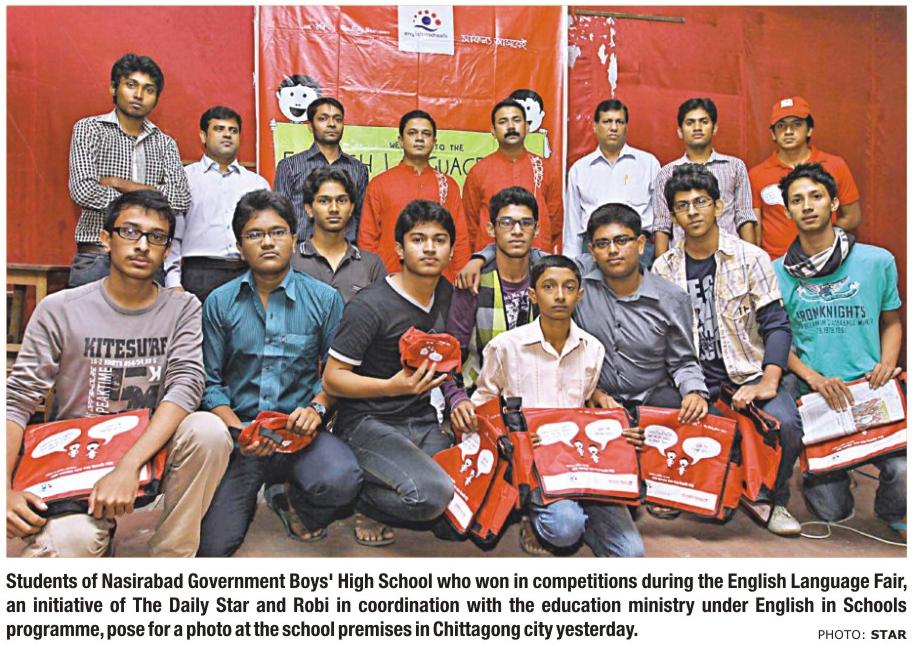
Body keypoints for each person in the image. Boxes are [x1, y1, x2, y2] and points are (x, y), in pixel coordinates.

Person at [6, 190, 231, 557]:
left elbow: (186, 386)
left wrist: (129, 465)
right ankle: (95, 531)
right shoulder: (60, 309)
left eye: (156, 237)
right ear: (106, 239)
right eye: (129, 231)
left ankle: (172, 559)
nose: (142, 245)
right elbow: (17, 400)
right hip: (80, 458)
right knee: (70, 545)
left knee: (208, 431)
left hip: (150, 450)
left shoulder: (182, 307)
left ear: (166, 250)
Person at [197, 190, 361, 556]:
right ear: (240, 247)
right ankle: (261, 484)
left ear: (294, 238)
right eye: (255, 235)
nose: (268, 242)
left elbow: (337, 374)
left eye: (278, 232)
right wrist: (238, 432)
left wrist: (317, 408)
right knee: (213, 547)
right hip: (241, 438)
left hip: (300, 435)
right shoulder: (219, 303)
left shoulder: (324, 299)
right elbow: (210, 382)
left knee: (342, 479)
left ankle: (293, 499)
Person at [652, 164, 802, 535]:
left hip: (746, 371)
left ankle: (772, 497)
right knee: (655, 408)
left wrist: (768, 381)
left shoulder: (751, 257)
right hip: (692, 376)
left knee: (785, 424)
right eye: (682, 206)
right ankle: (677, 488)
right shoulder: (663, 268)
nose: (692, 212)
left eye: (701, 202)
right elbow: (664, 341)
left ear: (718, 207)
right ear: (673, 216)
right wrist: (689, 387)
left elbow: (776, 325)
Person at [468, 255, 645, 557]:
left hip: (582, 461)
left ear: (580, 294)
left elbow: (587, 403)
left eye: (569, 287)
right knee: (564, 529)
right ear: (533, 295)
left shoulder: (592, 348)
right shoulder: (506, 346)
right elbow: (482, 403)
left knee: (632, 554)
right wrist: (510, 437)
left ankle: (583, 515)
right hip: (532, 461)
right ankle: (533, 513)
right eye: (549, 287)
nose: (560, 295)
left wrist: (620, 430)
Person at [773, 163, 905, 541]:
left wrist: (887, 364)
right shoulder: (776, 271)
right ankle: (835, 472)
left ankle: (891, 509)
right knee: (833, 511)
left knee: (905, 473)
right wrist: (813, 378)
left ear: (833, 203)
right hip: (816, 396)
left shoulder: (877, 261)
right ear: (787, 211)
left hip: (869, 390)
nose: (807, 206)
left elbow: (891, 321)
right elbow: (775, 339)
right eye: (797, 200)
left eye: (816, 196)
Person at [322, 200, 456, 546]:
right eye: (418, 239)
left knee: (460, 513)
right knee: (432, 495)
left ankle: (392, 484)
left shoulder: (447, 294)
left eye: (439, 240)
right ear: (399, 249)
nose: (429, 248)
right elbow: (333, 378)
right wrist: (391, 387)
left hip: (421, 420)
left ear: (451, 250)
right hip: (368, 422)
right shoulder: (370, 305)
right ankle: (363, 502)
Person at [575, 203, 709, 418]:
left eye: (621, 241)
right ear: (592, 251)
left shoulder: (671, 299)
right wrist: (593, 391)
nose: (612, 250)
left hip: (653, 399)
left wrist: (693, 392)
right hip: (596, 402)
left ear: (640, 244)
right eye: (602, 243)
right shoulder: (578, 289)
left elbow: (683, 361)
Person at [68, 53, 190, 287]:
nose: (139, 95)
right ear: (114, 88)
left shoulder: (165, 143)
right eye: (131, 85)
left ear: (156, 98)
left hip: (148, 260)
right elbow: (84, 191)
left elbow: (181, 198)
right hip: (98, 256)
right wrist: (151, 198)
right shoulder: (89, 129)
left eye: (148, 89)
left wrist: (119, 183)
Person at [445, 186, 540, 430]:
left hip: (539, 401)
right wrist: (457, 400)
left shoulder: (548, 278)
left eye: (525, 223)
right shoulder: (473, 282)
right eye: (506, 223)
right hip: (481, 400)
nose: (517, 231)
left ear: (536, 229)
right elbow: (452, 354)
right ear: (491, 229)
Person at [165, 106, 270, 303]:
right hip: (199, 274)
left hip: (247, 273)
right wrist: (173, 282)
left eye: (233, 130)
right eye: (219, 129)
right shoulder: (184, 179)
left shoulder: (257, 184)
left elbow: (267, 235)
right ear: (203, 136)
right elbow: (173, 235)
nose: (227, 135)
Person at [358, 110, 471, 282]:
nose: (419, 138)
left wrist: (459, 278)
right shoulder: (380, 184)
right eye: (412, 133)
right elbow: (367, 238)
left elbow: (460, 237)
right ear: (401, 140)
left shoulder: (448, 185)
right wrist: (372, 280)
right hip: (389, 280)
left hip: (439, 282)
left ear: (434, 142)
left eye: (426, 134)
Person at [749, 96, 862, 259]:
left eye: (796, 124)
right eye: (781, 126)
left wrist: (819, 238)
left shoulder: (834, 165)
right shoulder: (757, 174)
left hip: (827, 258)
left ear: (809, 129)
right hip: (776, 262)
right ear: (772, 133)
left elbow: (852, 217)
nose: (788, 131)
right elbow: (755, 228)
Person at [652, 97, 757, 256]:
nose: (697, 127)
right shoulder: (667, 173)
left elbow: (745, 216)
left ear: (714, 128)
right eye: (690, 123)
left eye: (704, 122)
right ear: (680, 131)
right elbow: (662, 225)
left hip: (729, 256)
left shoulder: (735, 167)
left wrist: (750, 259)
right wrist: (661, 268)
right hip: (683, 259)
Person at [564, 99, 660, 267]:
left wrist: (661, 261)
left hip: (639, 249)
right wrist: (571, 266)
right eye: (607, 121)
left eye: (619, 122)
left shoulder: (648, 164)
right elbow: (573, 227)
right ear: (595, 126)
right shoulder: (580, 169)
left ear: (626, 127)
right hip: (594, 249)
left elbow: (661, 220)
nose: (614, 127)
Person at [463, 99, 562, 253]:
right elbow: (469, 225)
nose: (510, 126)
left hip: (536, 257)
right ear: (493, 130)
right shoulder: (478, 171)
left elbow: (555, 222)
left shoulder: (544, 169)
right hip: (491, 258)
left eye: (516, 120)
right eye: (503, 122)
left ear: (527, 127)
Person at [274, 97, 369, 241]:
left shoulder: (358, 169)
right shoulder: (289, 166)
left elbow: (361, 217)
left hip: (346, 249)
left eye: (337, 119)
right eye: (323, 119)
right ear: (310, 126)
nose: (331, 124)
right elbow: (280, 216)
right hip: (301, 249)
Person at [292, 167, 386, 303]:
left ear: (351, 208)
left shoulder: (371, 265)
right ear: (309, 209)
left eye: (341, 201)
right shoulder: (291, 261)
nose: (334, 209)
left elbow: (382, 313)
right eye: (324, 201)